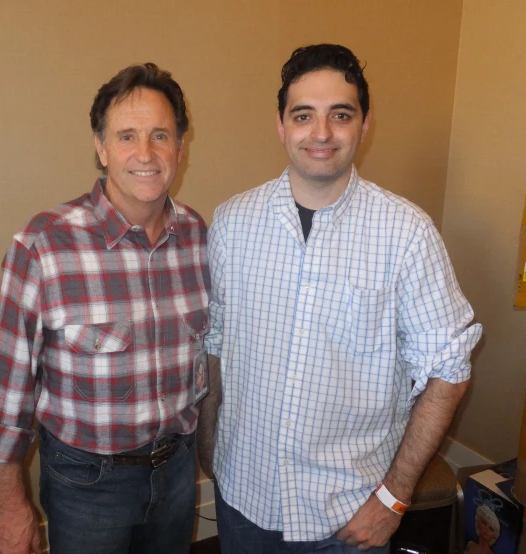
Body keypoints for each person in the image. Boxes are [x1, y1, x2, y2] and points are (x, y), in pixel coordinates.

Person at [197, 43, 482, 553]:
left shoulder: (406, 234)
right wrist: (209, 440)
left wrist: (393, 498)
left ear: (364, 125)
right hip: (243, 499)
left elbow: (450, 368)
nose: (321, 133)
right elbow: (217, 340)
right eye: (303, 115)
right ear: (281, 125)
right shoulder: (232, 224)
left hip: (348, 517)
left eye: (340, 115)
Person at [0, 63, 210, 554]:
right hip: (88, 486)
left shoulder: (198, 236)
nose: (145, 153)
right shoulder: (44, 245)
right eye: (126, 136)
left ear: (180, 149)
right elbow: (4, 394)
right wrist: (11, 506)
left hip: (178, 474)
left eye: (160, 135)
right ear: (101, 149)